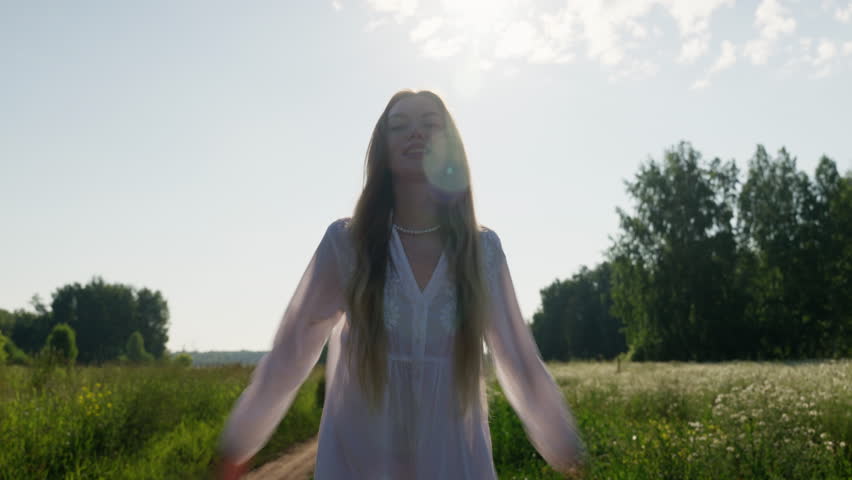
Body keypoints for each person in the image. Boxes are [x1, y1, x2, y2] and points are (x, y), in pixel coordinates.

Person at [215, 89, 586, 479]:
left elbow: (519, 357)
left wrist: (564, 448)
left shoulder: (482, 251)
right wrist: (242, 439)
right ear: (383, 149)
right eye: (400, 126)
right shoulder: (347, 243)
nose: (415, 134)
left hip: (452, 460)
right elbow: (291, 349)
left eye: (429, 124)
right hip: (361, 457)